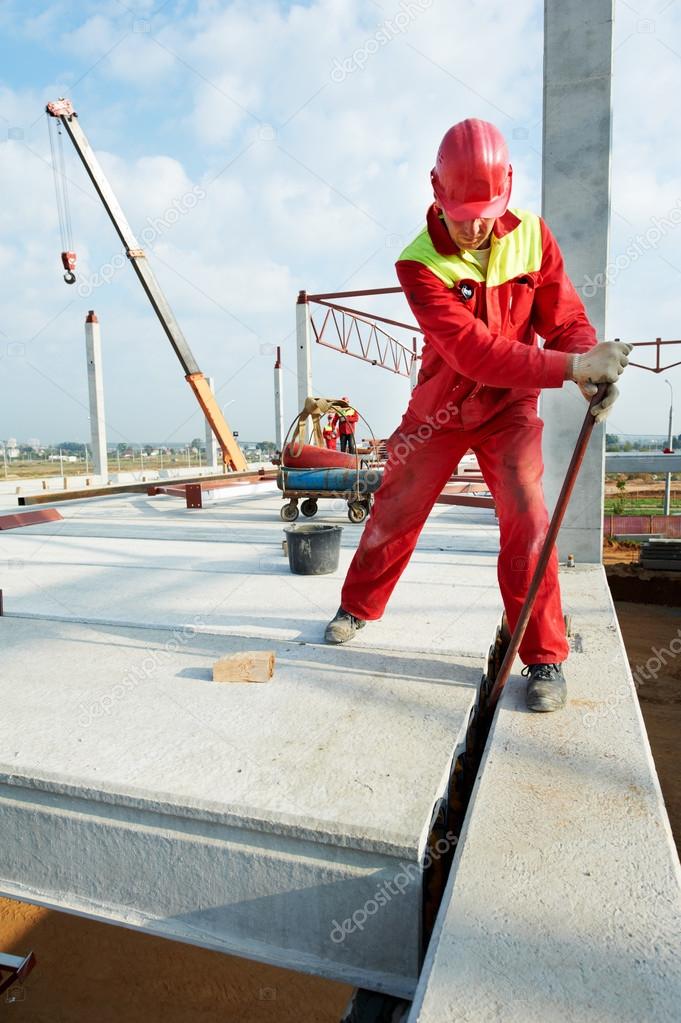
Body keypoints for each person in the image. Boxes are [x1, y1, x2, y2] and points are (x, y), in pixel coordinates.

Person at [324, 118, 632, 713]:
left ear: (508, 189)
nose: (474, 225)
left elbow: (563, 320)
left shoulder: (533, 238)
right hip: (441, 406)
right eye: (461, 211)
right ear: (435, 192)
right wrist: (572, 370)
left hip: (509, 407)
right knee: (395, 503)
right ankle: (357, 606)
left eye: (487, 209)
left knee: (527, 514)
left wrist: (590, 364)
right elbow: (473, 353)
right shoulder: (418, 263)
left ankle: (544, 656)